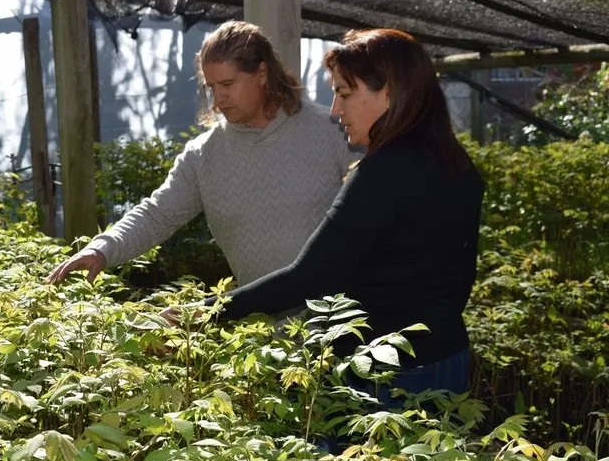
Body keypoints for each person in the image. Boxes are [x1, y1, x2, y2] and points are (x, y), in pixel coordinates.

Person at [180, 28, 484, 400]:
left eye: (344, 93)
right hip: (447, 358)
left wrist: (203, 312)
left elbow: (307, 277)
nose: (336, 111)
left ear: (388, 91)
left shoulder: (382, 174)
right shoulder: (455, 162)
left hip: (386, 374)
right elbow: (459, 277)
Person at [47, 20, 362, 287]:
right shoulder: (203, 156)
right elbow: (157, 213)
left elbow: (376, 217)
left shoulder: (334, 131)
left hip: (340, 322)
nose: (219, 97)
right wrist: (102, 249)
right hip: (259, 328)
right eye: (212, 87)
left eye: (228, 83)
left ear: (262, 73)